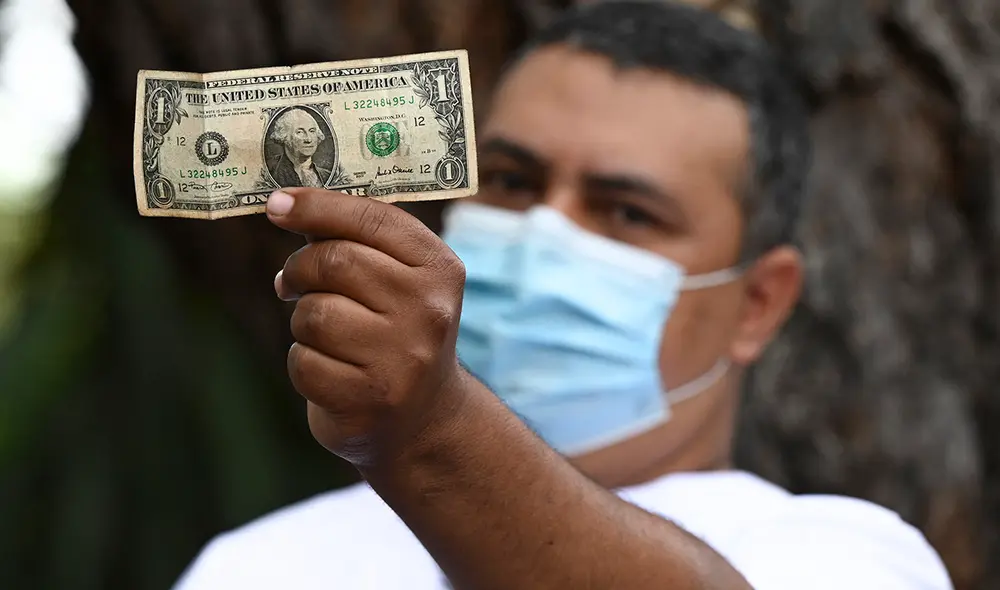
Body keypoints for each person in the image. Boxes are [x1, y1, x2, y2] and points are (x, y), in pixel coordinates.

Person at [174, 2, 953, 589]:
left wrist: (430, 431)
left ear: (759, 304)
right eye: (512, 182)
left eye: (627, 211)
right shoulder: (256, 566)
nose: (543, 231)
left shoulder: (844, 556)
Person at [267, 107, 332, 188]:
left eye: (312, 131)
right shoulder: (272, 175)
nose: (308, 139)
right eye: (300, 132)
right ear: (284, 137)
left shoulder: (327, 175)